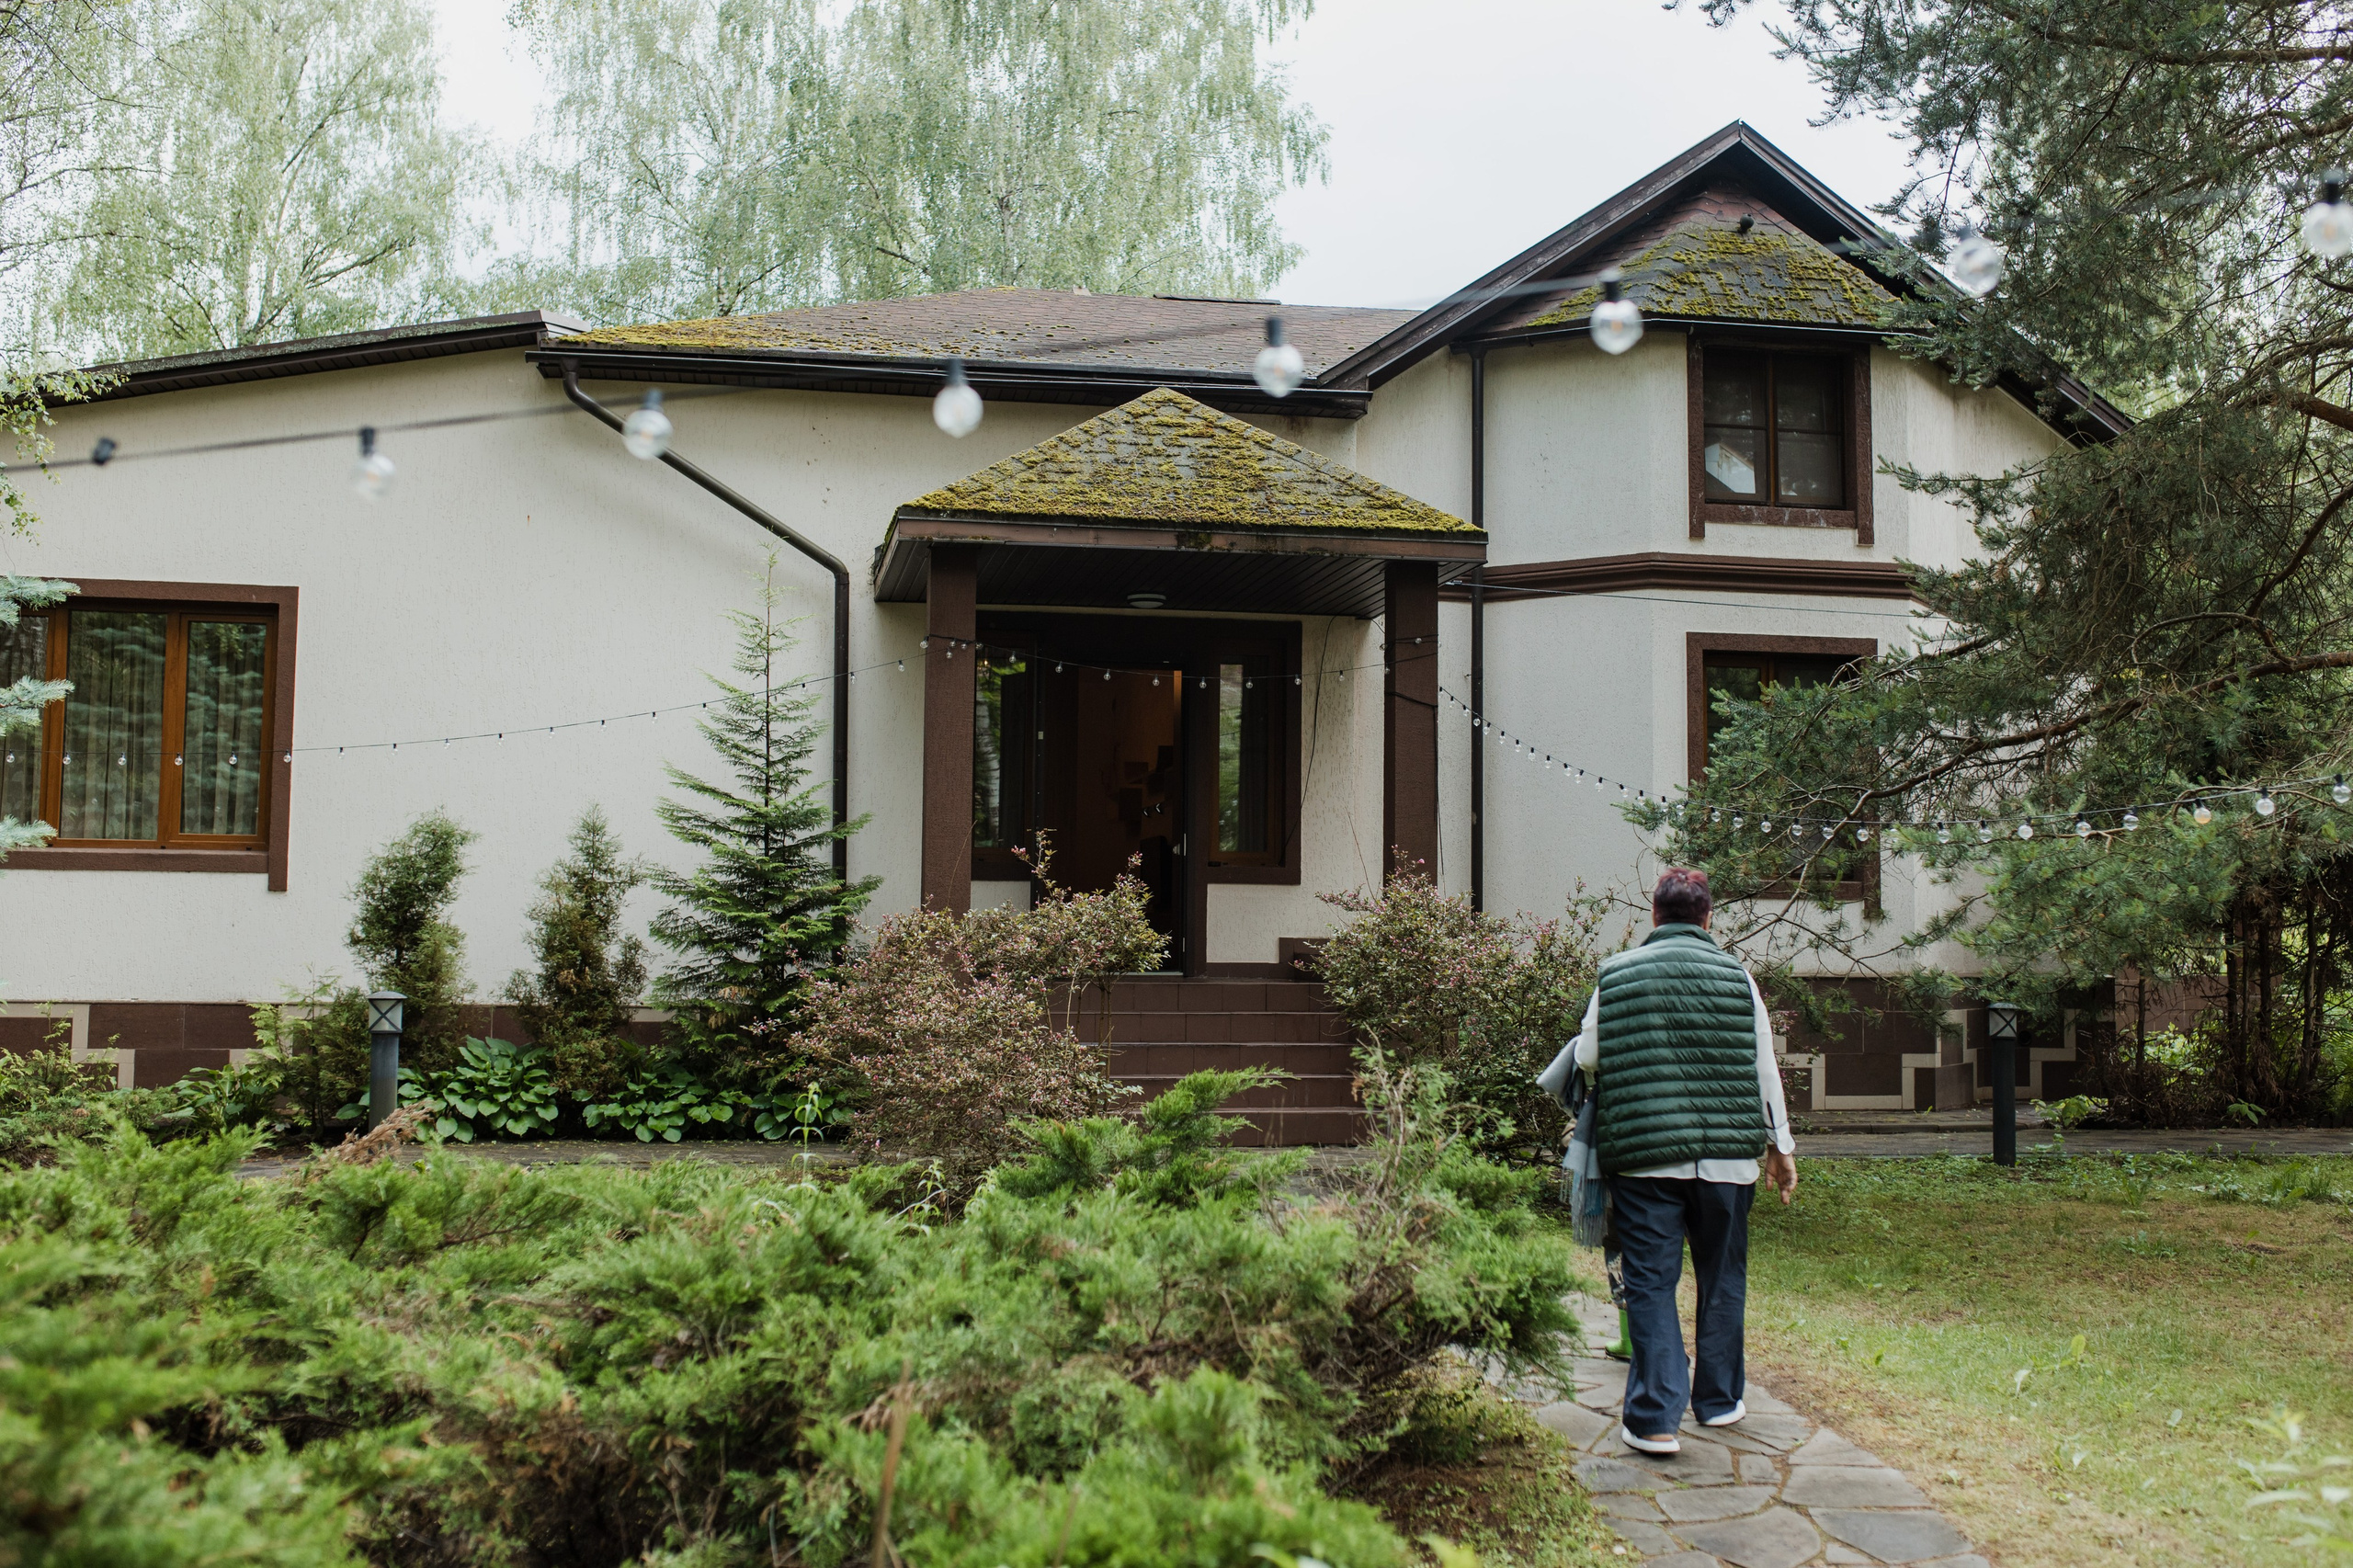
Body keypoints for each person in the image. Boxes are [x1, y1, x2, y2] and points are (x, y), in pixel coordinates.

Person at [1544, 868, 1797, 1455]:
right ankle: (1719, 1402)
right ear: (1709, 919)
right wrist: (1781, 1149)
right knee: (1722, 1276)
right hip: (1730, 1163)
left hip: (1645, 1159)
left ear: (1654, 916)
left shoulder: (1618, 974)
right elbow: (1765, 1070)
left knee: (1652, 1283)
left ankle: (1655, 1419)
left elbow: (1588, 1055)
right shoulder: (1739, 977)